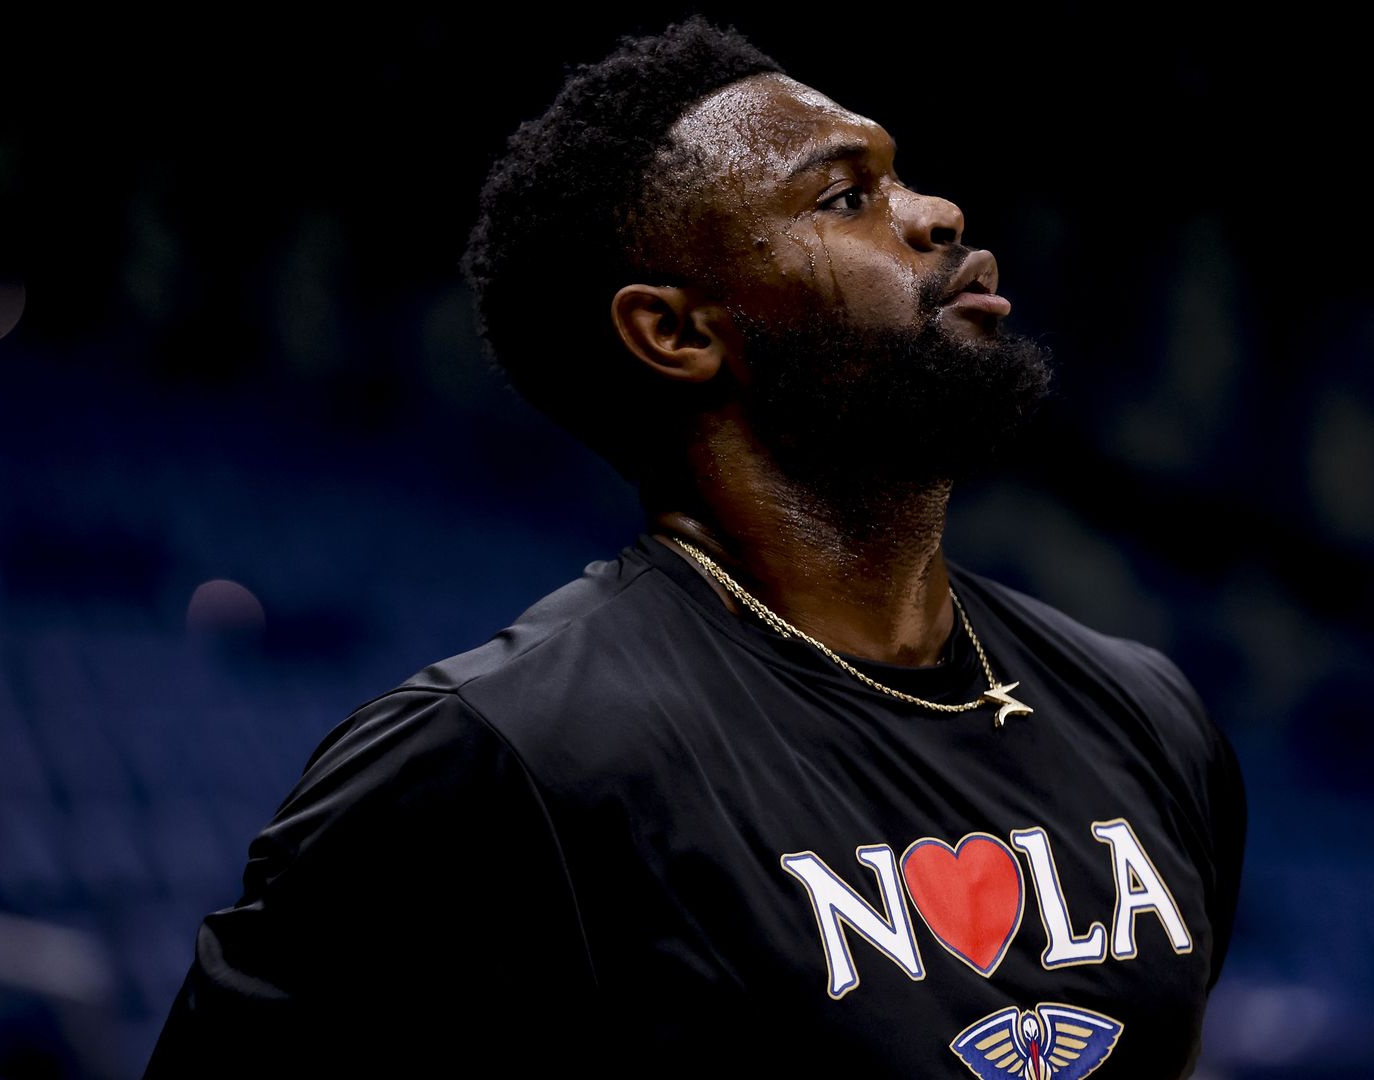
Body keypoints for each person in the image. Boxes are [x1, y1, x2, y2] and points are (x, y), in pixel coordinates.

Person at [142, 15, 1246, 1078]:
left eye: (906, 177)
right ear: (675, 332)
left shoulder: (1145, 714)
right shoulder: (506, 759)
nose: (940, 212)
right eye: (848, 197)